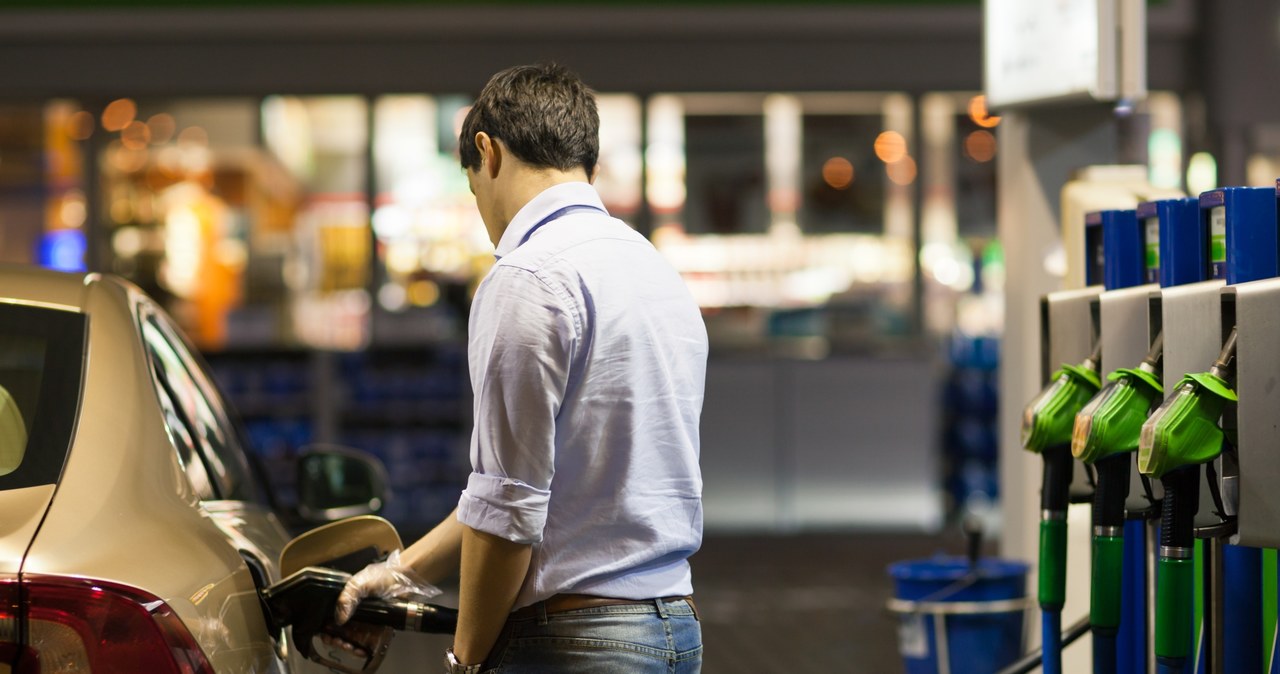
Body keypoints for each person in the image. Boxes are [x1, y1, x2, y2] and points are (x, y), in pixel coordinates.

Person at [333, 62, 708, 674]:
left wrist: (466, 661)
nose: (479, 203)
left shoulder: (528, 277)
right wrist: (399, 574)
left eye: (472, 182)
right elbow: (530, 492)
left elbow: (509, 513)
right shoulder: (653, 270)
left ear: (488, 151)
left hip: (573, 642)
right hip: (671, 632)